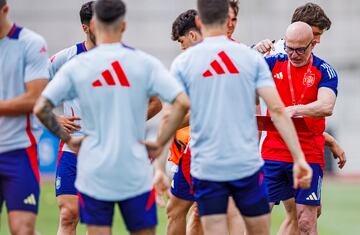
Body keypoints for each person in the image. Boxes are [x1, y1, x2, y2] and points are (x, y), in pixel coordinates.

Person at [34, 0, 189, 234]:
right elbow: (181, 102)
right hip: (131, 162)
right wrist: (158, 143)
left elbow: (39, 106)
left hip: (92, 164)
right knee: (74, 216)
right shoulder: (143, 62)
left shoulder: (78, 67)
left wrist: (68, 138)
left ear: (94, 24)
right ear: (124, 25)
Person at [163, 0, 313, 234]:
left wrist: (157, 159)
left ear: (200, 22)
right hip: (246, 164)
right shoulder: (250, 58)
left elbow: (170, 116)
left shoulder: (184, 62)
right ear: (227, 21)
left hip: (207, 165)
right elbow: (276, 110)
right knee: (253, 228)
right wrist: (299, 158)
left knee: (214, 226)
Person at [262, 22, 338, 235]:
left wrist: (294, 109)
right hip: (273, 152)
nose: (293, 54)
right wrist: (254, 51)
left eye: (300, 49)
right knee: (257, 217)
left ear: (312, 44)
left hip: (308, 154)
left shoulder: (324, 70)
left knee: (305, 220)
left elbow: (326, 105)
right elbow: (239, 74)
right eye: (289, 48)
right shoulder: (271, 63)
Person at [0, 0, 49, 234]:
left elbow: (34, 100)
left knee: (23, 229)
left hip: (18, 151)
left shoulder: (30, 43)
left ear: (5, 10)